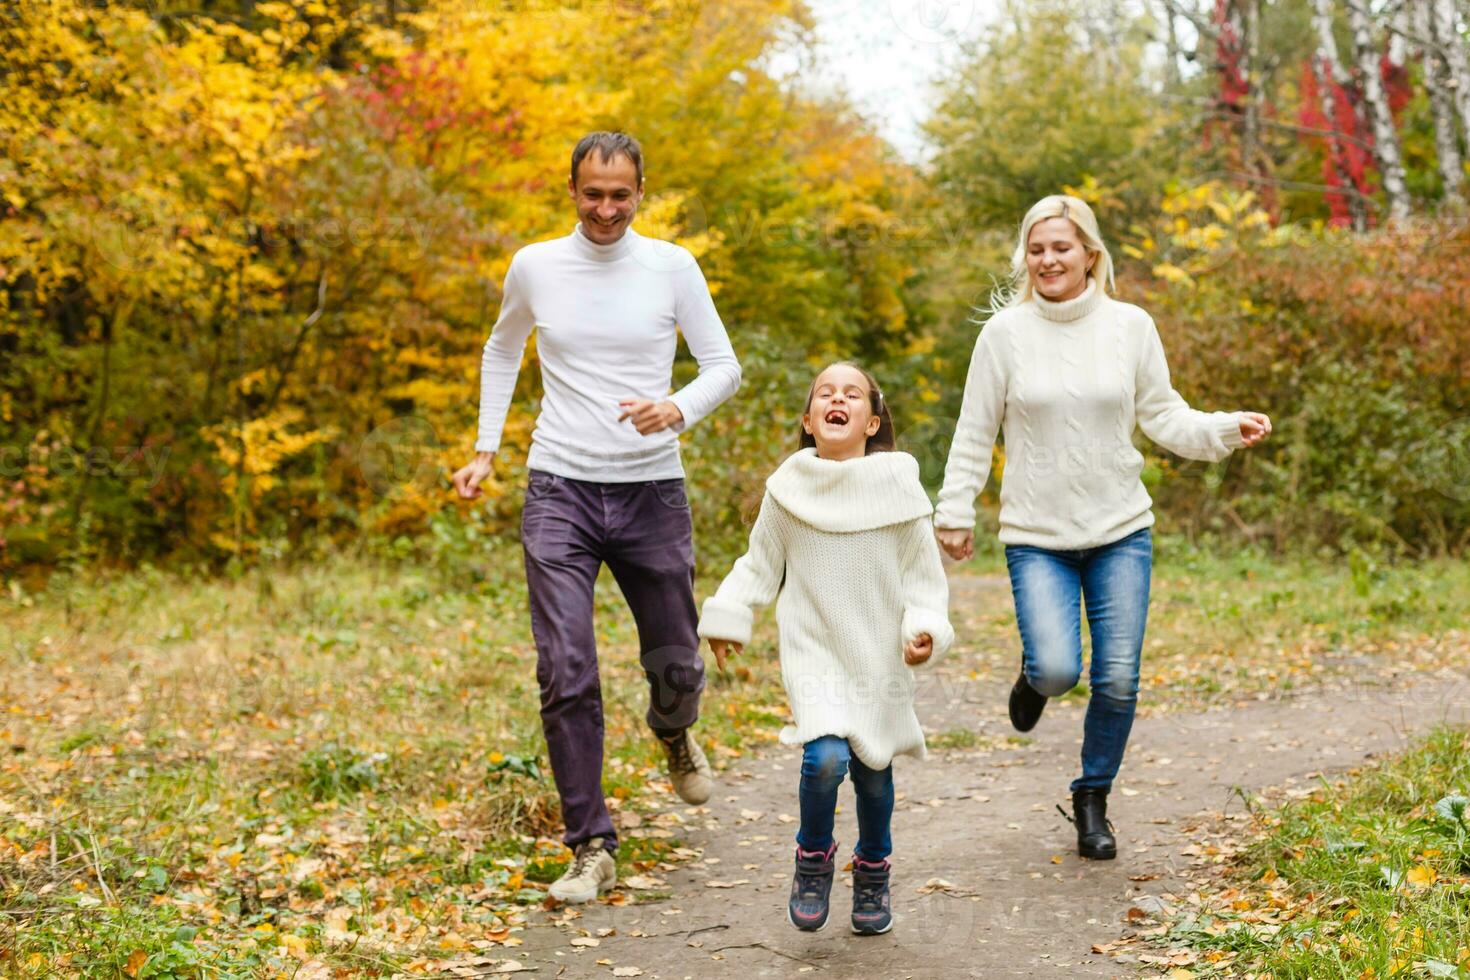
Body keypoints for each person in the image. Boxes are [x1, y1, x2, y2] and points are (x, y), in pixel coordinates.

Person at [933, 194, 1272, 860]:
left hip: (1121, 528)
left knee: (1117, 678)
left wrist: (1225, 428)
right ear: (1025, 259)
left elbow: (1165, 417)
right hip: (1037, 535)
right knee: (1061, 668)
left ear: (1090, 254)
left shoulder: (1131, 326)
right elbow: (974, 430)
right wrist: (954, 510)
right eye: (1036, 249)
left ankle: (1093, 796)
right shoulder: (1004, 334)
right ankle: (1036, 677)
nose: (1048, 259)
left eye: (1061, 247)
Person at [452, 131, 741, 903]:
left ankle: (673, 728)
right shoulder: (536, 266)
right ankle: (591, 844)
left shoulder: (671, 267)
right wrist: (487, 449)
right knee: (565, 669)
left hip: (651, 493)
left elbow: (724, 366)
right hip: (560, 491)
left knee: (678, 664)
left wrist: (675, 408)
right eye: (592, 194)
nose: (606, 209)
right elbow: (501, 348)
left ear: (641, 191)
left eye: (620, 195)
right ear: (571, 190)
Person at [696, 363, 953, 935]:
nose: (838, 399)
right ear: (809, 421)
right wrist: (728, 616)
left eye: (852, 394)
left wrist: (927, 630)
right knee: (826, 758)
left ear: (871, 421)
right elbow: (758, 565)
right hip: (813, 650)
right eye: (825, 394)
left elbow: (924, 582)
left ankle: (873, 867)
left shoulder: (899, 490)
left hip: (879, 655)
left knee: (873, 770)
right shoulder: (788, 491)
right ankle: (813, 857)